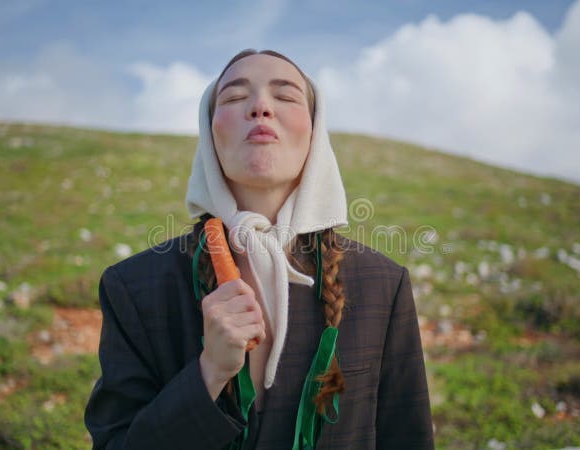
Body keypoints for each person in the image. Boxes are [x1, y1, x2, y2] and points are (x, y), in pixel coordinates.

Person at [84, 48, 435, 449]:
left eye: (285, 96)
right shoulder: (134, 286)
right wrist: (209, 371)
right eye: (234, 98)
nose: (261, 107)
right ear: (209, 130)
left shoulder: (382, 284)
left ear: (315, 132)